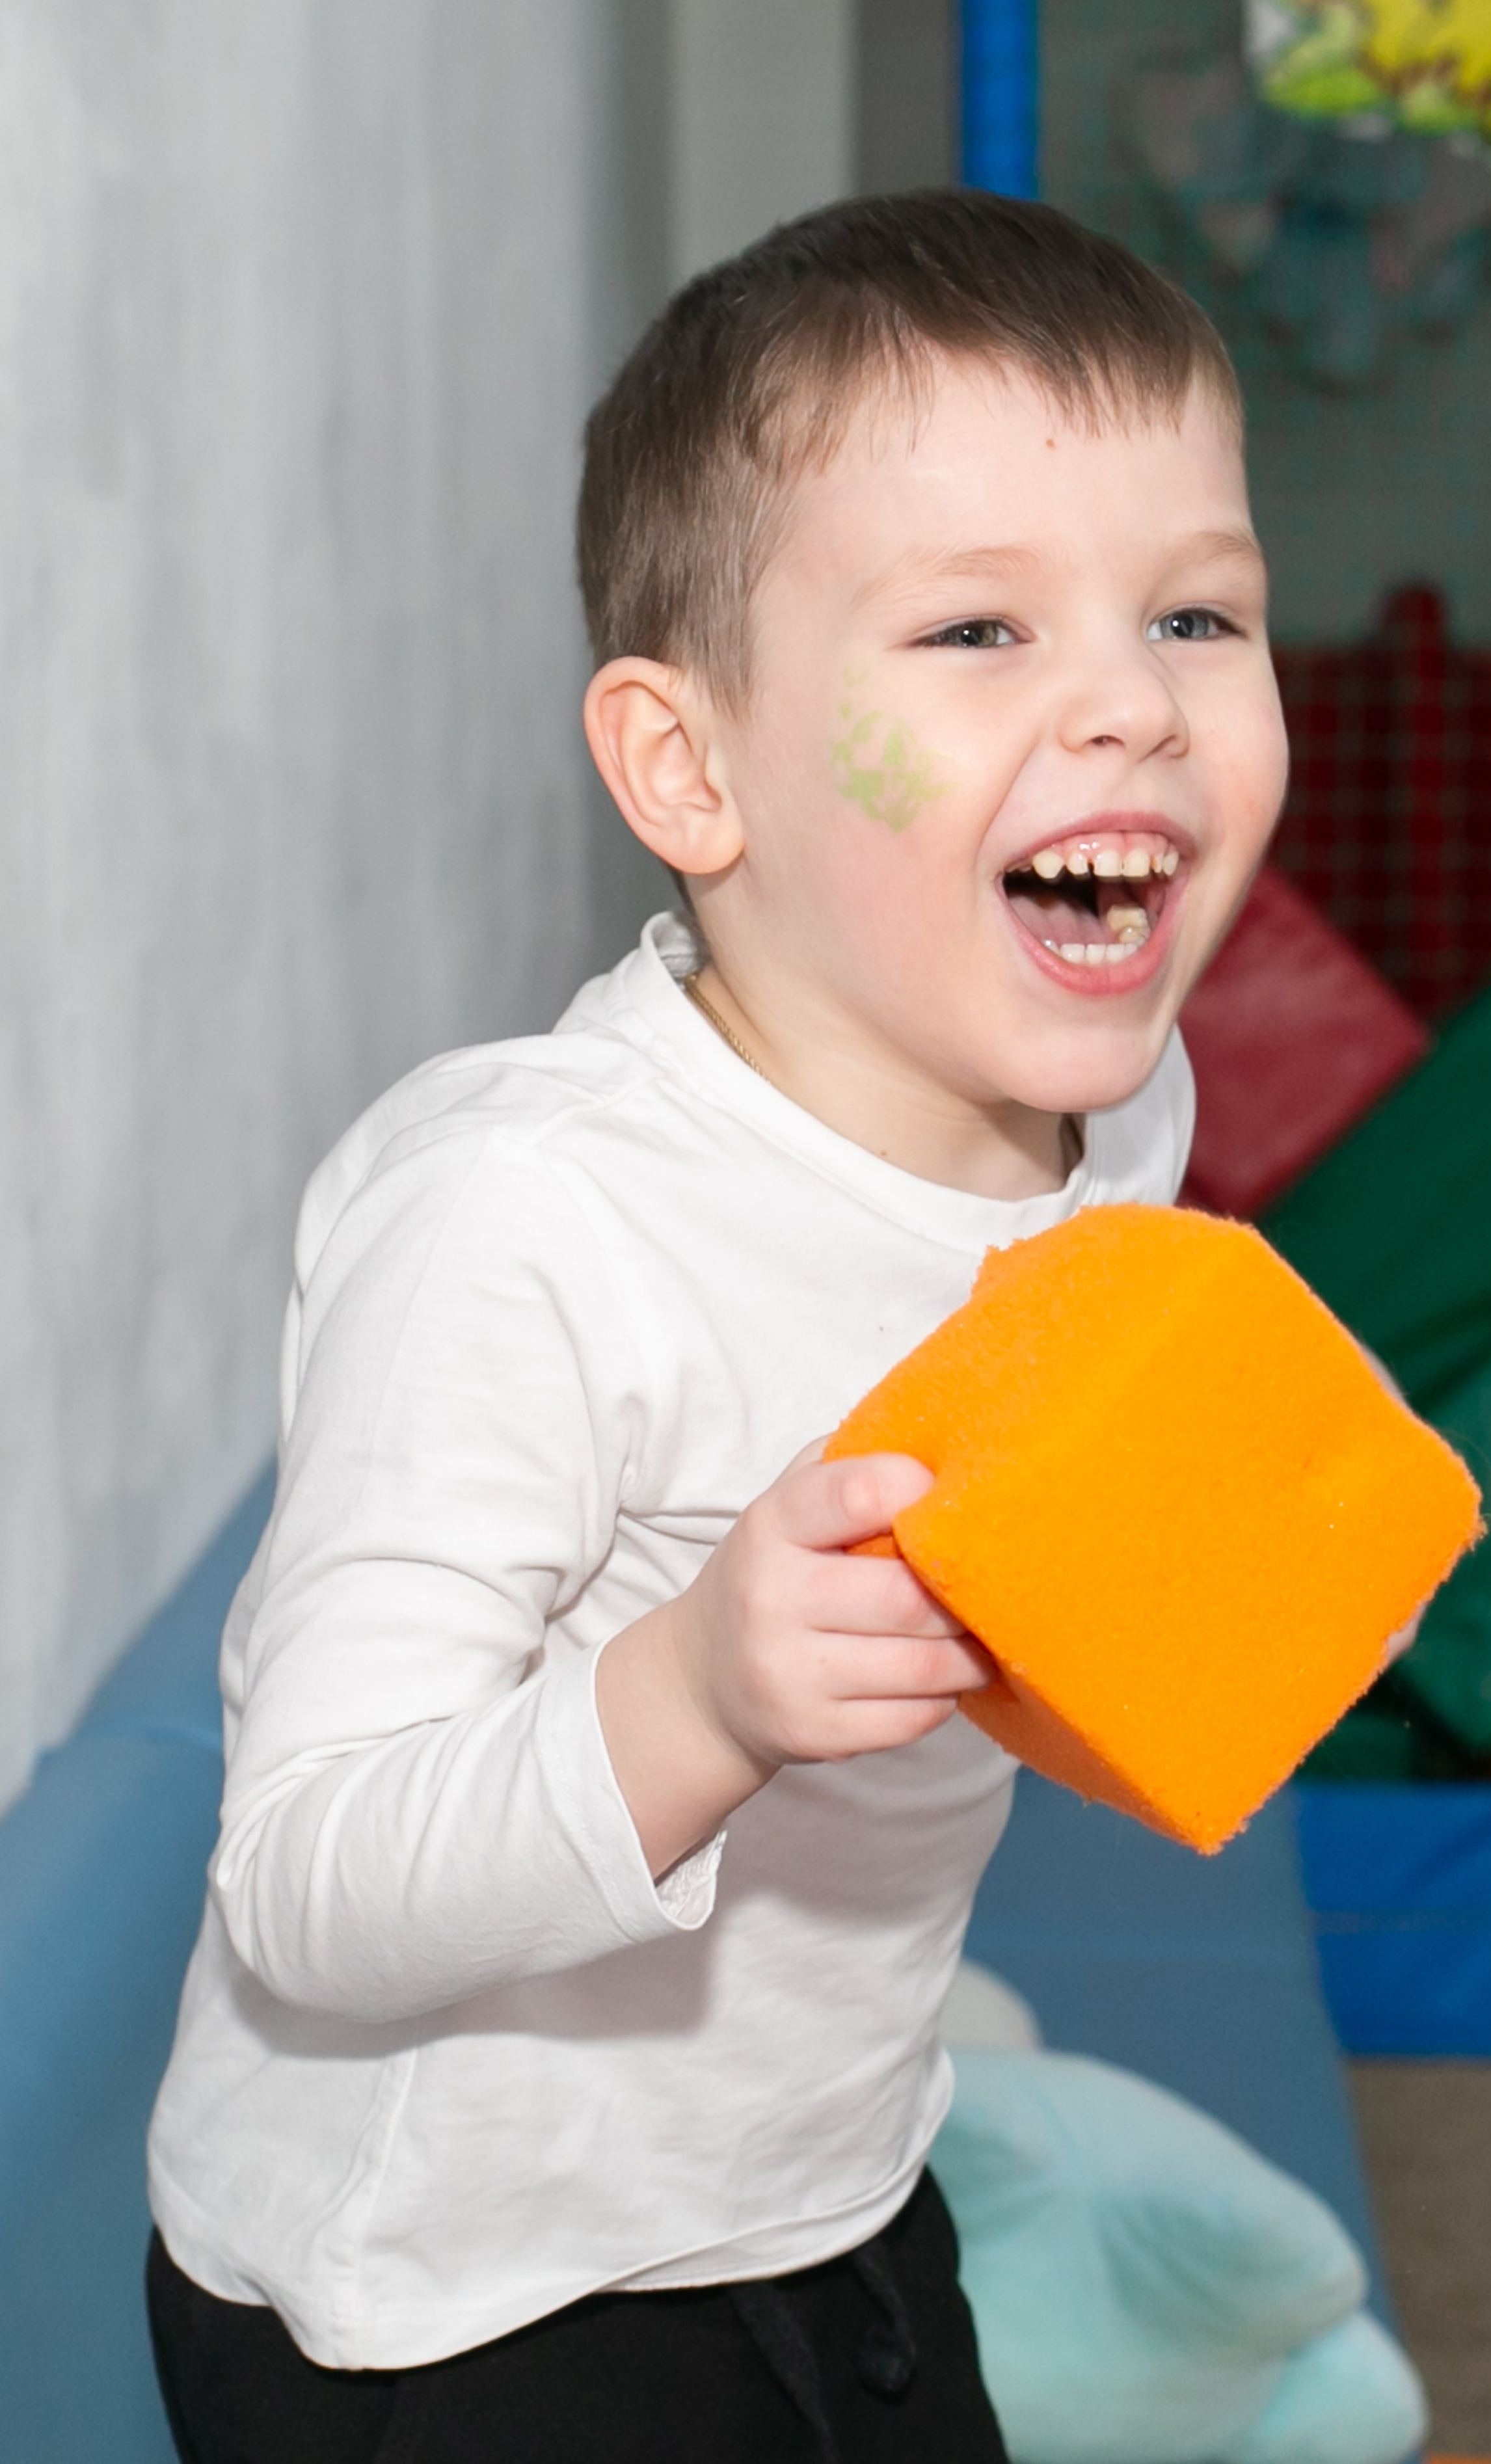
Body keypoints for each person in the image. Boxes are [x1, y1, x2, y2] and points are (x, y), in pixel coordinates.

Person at [144, 189, 1287, 2463]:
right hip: (452, 2296)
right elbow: (303, 1885)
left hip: (823, 2171)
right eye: (976, 625)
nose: (1134, 702)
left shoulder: (1120, 1110)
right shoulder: (525, 1221)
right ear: (691, 771)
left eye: (1197, 611)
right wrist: (694, 1690)